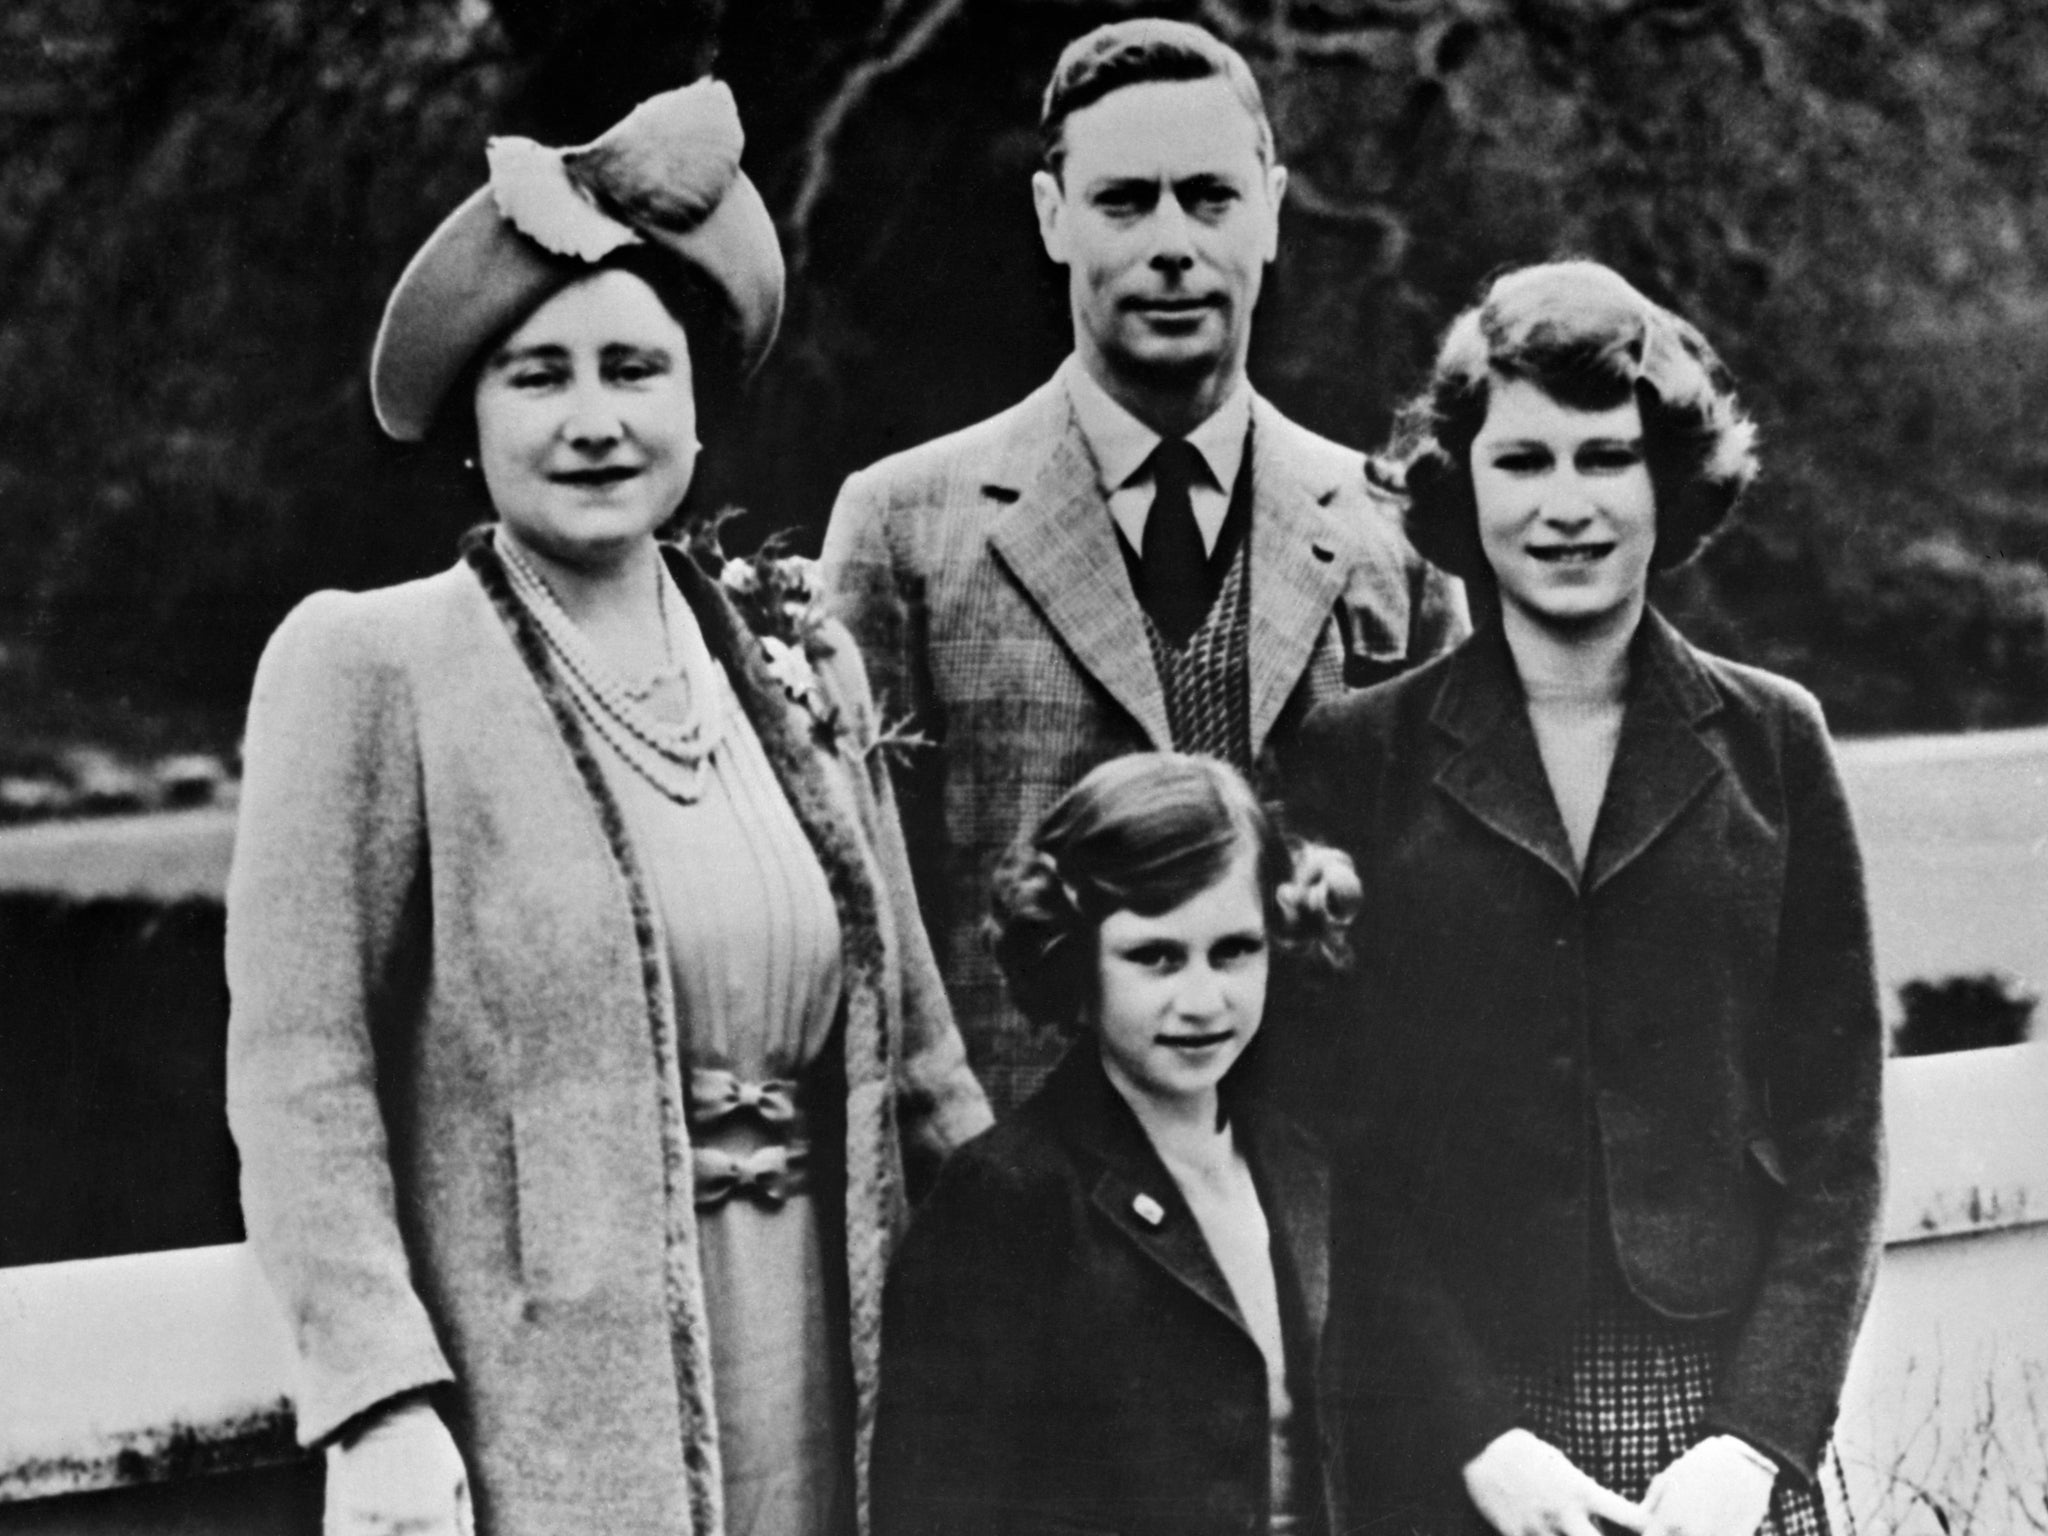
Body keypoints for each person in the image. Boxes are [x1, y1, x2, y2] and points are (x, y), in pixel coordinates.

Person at [224, 80, 990, 1536]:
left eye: (633, 368)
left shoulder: (793, 649)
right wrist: (379, 1400)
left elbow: (924, 1059)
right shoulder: (371, 665)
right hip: (561, 1408)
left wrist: (1043, 1302)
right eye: (539, 375)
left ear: (696, 403)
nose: (593, 420)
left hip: (836, 1352)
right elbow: (301, 1075)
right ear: (473, 419)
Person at [1285, 261, 1885, 1536]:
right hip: (1456, 1440)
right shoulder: (1355, 758)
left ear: (1666, 478)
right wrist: (1474, 1440)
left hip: (1711, 1429)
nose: (1566, 504)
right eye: (1522, 461)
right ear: (1464, 485)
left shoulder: (1774, 744)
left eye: (1603, 457)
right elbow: (1334, 1139)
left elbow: (1838, 1137)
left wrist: (1756, 1442)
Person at [820, 17, 1467, 1114]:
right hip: (1019, 1207)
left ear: (1268, 211)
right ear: (1051, 218)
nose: (1172, 243)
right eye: (1125, 201)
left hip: (1318, 1215)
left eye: (1209, 198)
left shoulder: (1392, 534)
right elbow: (857, 922)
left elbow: (1450, 906)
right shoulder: (903, 531)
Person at [871, 752, 1359, 1536]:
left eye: (1234, 950)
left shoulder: (1295, 1161)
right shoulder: (1007, 1193)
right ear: (1074, 958)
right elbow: (936, 1507)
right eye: (1155, 957)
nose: (1202, 1001)